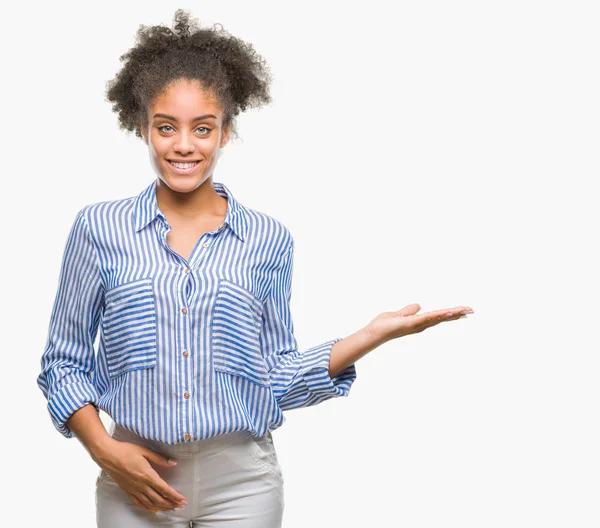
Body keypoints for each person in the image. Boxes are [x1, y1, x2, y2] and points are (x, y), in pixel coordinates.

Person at [36, 9, 474, 528]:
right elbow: (62, 363)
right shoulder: (98, 228)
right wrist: (105, 449)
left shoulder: (267, 240)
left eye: (203, 128)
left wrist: (369, 336)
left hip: (243, 481)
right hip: (136, 476)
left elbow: (274, 376)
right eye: (166, 127)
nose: (183, 145)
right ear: (141, 126)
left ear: (226, 133)